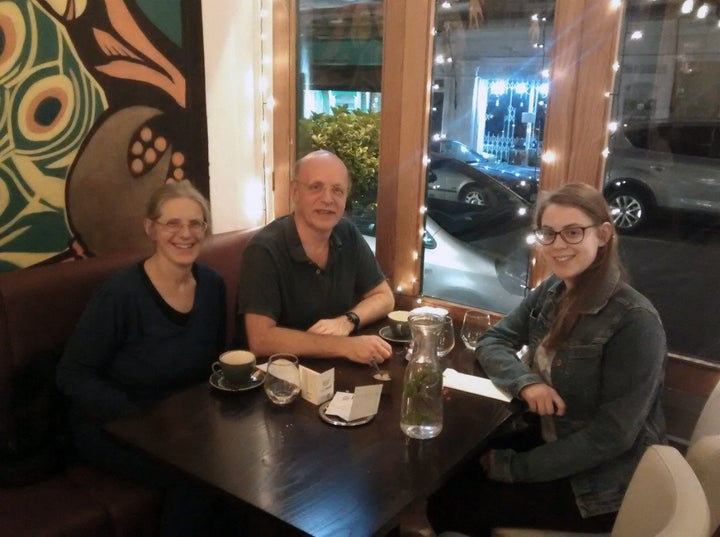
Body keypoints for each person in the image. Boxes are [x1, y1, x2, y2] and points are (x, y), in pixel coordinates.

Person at [427, 183, 667, 535]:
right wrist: (527, 383)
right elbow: (494, 340)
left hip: (604, 484)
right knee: (450, 472)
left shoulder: (634, 321)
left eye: (573, 232)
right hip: (553, 439)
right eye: (548, 233)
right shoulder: (553, 291)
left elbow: (611, 437)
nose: (558, 245)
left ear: (603, 234)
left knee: (453, 505)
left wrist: (515, 468)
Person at [57, 180, 229, 535]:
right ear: (151, 228)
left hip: (180, 422)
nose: (186, 233)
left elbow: (214, 363)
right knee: (197, 478)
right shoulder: (120, 293)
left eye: (195, 223)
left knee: (240, 467)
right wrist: (146, 420)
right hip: (114, 424)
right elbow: (72, 374)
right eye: (173, 223)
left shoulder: (212, 285)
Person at [237, 150, 394, 364]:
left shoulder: (346, 232)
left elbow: (384, 296)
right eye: (316, 187)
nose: (328, 199)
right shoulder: (264, 250)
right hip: (278, 379)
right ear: (295, 192)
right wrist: (345, 346)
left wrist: (348, 321)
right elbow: (261, 339)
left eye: (337, 190)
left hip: (330, 371)